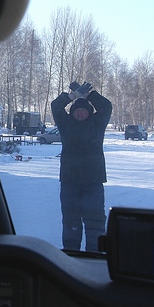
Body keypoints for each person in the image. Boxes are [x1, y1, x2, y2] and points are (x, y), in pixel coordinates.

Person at [51, 81, 112, 252]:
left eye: (83, 109)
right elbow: (56, 106)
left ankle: (95, 252)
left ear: (89, 112)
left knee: (95, 220)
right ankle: (71, 252)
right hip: (70, 180)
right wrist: (73, 96)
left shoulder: (97, 124)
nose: (79, 112)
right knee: (71, 219)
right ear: (72, 112)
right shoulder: (65, 123)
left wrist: (89, 95)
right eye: (76, 109)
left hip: (93, 181)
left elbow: (106, 106)